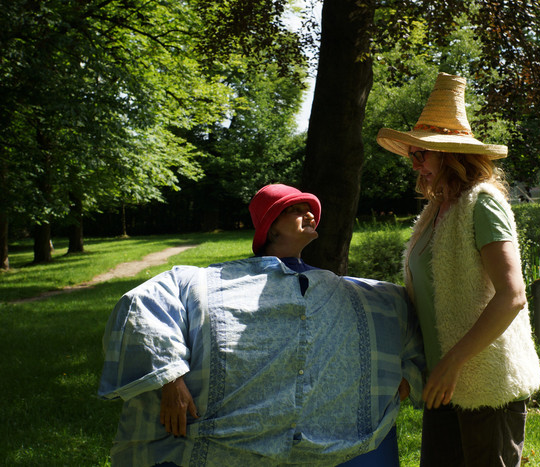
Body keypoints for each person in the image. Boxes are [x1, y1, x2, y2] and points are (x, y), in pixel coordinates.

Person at [98, 183, 424, 467]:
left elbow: (400, 317)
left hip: (333, 439)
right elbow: (142, 305)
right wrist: (170, 377)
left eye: (310, 209)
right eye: (296, 210)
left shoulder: (350, 292)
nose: (309, 214)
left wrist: (398, 373)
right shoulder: (203, 282)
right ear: (272, 228)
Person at [376, 73, 540, 466]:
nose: (415, 164)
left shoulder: (482, 203)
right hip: (443, 384)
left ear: (451, 154)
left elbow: (513, 296)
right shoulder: (435, 211)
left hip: (486, 386)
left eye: (422, 154)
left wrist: (453, 362)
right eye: (412, 155)